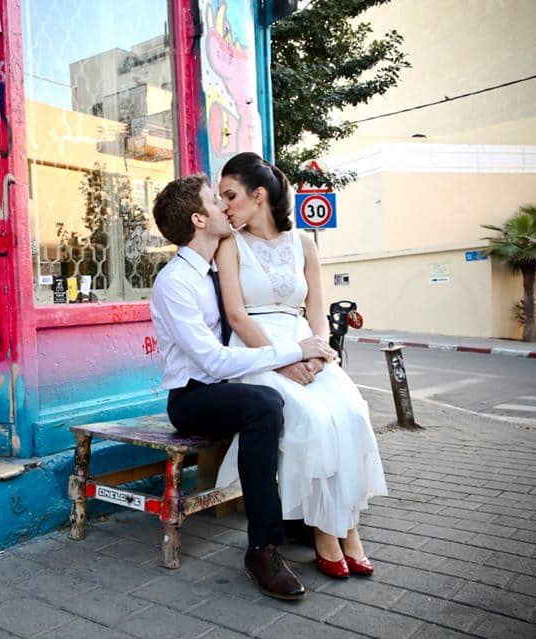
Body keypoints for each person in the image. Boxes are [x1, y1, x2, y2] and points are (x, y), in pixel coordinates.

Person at [149, 173, 338, 600]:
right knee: (264, 404)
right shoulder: (175, 283)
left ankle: (298, 519)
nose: (225, 206)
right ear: (199, 219)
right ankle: (261, 549)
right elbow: (212, 361)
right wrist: (291, 352)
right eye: (215, 201)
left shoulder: (217, 268)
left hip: (229, 383)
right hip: (193, 397)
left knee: (297, 401)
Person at [213, 152, 388, 579]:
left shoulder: (303, 243)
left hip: (305, 346)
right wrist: (282, 361)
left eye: (230, 196)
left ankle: (349, 528)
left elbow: (317, 312)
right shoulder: (229, 245)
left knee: (351, 412)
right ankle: (325, 533)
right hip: (258, 351)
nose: (224, 206)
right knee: (312, 419)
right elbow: (236, 315)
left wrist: (317, 353)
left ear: (258, 195)